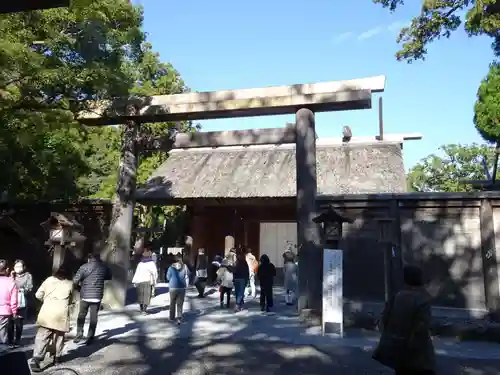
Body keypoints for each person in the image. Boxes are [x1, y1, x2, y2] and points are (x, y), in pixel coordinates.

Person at [372, 265, 436, 375]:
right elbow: (422, 327)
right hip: (417, 352)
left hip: (398, 348)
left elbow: (384, 320)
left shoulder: (397, 297)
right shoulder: (422, 300)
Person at [30, 265, 74, 372]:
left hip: (47, 313)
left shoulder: (49, 280)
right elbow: (71, 300)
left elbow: (38, 295)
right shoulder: (70, 284)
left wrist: (47, 301)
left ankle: (36, 358)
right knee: (59, 337)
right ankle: (57, 357)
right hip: (61, 314)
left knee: (42, 336)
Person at [73, 252, 112, 345]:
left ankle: (79, 333)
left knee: (81, 315)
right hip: (97, 296)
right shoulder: (104, 267)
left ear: (89, 258)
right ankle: (90, 336)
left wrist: (78, 288)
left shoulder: (83, 267)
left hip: (85, 295)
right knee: (93, 317)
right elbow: (109, 276)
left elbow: (75, 280)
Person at [8, 260, 33, 348]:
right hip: (11, 301)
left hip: (21, 301)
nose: (18, 269)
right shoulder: (11, 275)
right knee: (10, 322)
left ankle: (17, 339)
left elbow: (29, 288)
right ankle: (10, 340)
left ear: (24, 267)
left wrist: (21, 290)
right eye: (16, 266)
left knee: (19, 322)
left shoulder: (28, 276)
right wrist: (11, 276)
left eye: (20, 266)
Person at [132, 249, 158, 315]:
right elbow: (155, 273)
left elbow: (137, 272)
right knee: (147, 296)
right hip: (147, 281)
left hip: (140, 281)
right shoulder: (151, 263)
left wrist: (134, 281)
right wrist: (155, 280)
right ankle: (144, 310)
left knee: (140, 296)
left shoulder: (140, 263)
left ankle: (141, 309)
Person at [166, 253, 190, 324]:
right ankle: (179, 317)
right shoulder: (185, 267)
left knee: (172, 302)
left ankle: (172, 317)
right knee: (180, 303)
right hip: (182, 287)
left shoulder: (171, 267)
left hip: (172, 287)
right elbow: (188, 275)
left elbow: (167, 277)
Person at [0, 260, 17, 346]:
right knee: (2, 334)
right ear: (7, 269)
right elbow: (13, 300)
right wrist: (14, 312)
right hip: (4, 311)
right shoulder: (11, 282)